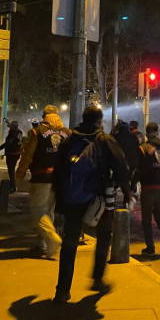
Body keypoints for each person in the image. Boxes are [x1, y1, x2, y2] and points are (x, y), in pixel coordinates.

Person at [53, 106, 130, 304]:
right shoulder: (104, 140)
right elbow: (121, 165)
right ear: (99, 121)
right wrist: (126, 190)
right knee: (104, 236)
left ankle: (62, 290)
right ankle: (97, 279)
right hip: (98, 198)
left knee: (69, 243)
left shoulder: (70, 140)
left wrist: (60, 201)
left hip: (72, 199)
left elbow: (59, 171)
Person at [17, 105, 70, 259]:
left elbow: (28, 155)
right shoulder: (66, 133)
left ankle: (52, 239)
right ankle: (44, 245)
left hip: (41, 178)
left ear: (44, 116)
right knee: (49, 212)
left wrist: (19, 174)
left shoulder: (37, 132)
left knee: (38, 212)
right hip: (58, 179)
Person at [134, 122, 160, 256]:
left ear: (147, 133)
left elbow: (138, 170)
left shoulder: (143, 148)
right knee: (159, 214)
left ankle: (150, 248)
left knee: (146, 219)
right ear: (157, 132)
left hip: (148, 187)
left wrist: (132, 186)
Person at [0, 120, 23, 193]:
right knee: (11, 170)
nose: (9, 128)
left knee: (11, 170)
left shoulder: (13, 133)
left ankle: (13, 186)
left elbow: (8, 143)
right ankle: (13, 185)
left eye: (11, 126)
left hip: (11, 154)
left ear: (13, 127)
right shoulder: (19, 132)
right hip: (16, 154)